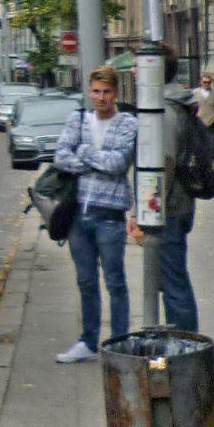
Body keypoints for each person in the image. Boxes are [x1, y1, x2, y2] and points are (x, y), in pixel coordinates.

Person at [50, 65, 137, 364]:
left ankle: (120, 343)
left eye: (107, 92)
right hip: (78, 214)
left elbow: (118, 163)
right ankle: (88, 341)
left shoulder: (127, 123)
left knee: (115, 282)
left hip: (109, 215)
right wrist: (95, 161)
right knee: (86, 282)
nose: (101, 98)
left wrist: (84, 154)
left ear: (116, 93)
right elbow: (61, 156)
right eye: (97, 91)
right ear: (90, 91)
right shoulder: (78, 119)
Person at [126, 52, 214, 332]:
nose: (133, 71)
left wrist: (144, 214)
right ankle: (181, 339)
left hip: (168, 210)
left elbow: (163, 164)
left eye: (138, 66)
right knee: (170, 280)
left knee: (173, 283)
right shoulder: (175, 104)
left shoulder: (164, 111)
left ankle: (186, 343)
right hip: (175, 205)